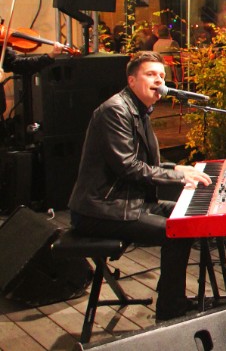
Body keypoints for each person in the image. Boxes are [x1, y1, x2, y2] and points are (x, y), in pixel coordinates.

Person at [67, 52, 212, 321]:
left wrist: (177, 168)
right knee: (175, 231)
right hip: (100, 209)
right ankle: (171, 308)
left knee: (187, 217)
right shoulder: (115, 110)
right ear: (132, 80)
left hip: (126, 201)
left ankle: (171, 295)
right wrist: (178, 178)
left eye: (161, 76)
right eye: (150, 74)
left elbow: (143, 162)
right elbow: (128, 166)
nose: (158, 80)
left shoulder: (139, 109)